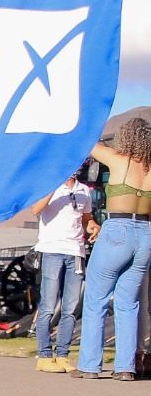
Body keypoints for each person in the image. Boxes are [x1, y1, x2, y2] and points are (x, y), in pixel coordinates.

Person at [76, 118, 151, 380]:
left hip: (117, 228)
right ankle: (126, 367)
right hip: (145, 233)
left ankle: (89, 365)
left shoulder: (119, 159)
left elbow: (86, 143)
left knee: (96, 299)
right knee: (129, 304)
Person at [31, 163, 97, 373]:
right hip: (52, 250)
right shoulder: (47, 184)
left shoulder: (84, 190)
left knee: (70, 308)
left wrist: (93, 226)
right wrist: (54, 183)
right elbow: (36, 209)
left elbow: (86, 219)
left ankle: (63, 355)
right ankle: (44, 354)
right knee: (48, 305)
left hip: (75, 252)